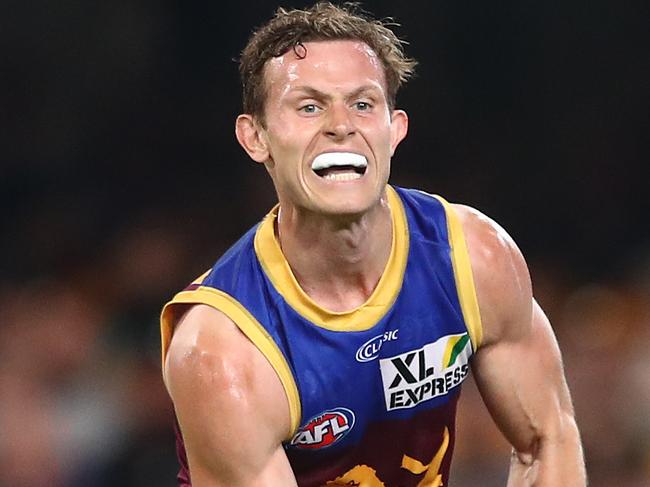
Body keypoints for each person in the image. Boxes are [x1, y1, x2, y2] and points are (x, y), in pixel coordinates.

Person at [160, 3, 586, 486]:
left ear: (395, 129)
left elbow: (547, 441)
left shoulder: (474, 257)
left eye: (363, 104)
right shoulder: (224, 350)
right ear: (255, 136)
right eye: (309, 106)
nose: (342, 125)